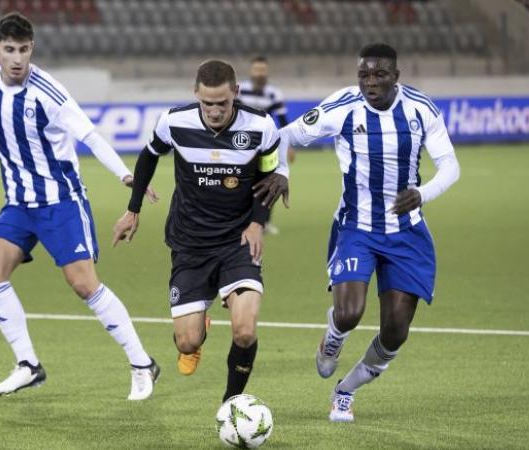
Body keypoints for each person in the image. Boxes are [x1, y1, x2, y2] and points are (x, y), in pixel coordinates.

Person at [0, 12, 160, 400]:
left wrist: (127, 176)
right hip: (18, 204)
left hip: (62, 202)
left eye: (23, 50)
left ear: (32, 49)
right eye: (8, 50)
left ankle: (142, 363)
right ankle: (28, 365)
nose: (16, 59)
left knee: (83, 285)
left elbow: (91, 137)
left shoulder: (49, 93)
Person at [280, 43, 460, 422]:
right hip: (356, 227)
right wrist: (281, 172)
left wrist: (421, 193)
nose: (371, 82)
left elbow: (450, 167)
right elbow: (285, 136)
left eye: (379, 75)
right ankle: (333, 337)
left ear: (397, 75)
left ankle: (345, 390)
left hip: (406, 233)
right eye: (364, 75)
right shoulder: (342, 106)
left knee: (395, 332)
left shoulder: (421, 109)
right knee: (349, 313)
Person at [112, 60, 288, 402]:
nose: (215, 111)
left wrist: (257, 223)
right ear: (196, 94)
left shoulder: (261, 126)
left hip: (238, 239)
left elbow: (269, 180)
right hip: (190, 243)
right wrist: (133, 209)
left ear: (235, 93)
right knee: (187, 341)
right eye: (207, 103)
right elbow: (149, 157)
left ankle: (231, 403)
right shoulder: (174, 121)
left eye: (222, 103)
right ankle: (199, 328)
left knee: (245, 331)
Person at [238, 56, 294, 235]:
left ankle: (265, 222)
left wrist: (289, 146)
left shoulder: (274, 93)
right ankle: (242, 220)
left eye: (262, 69)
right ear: (251, 71)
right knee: (241, 183)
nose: (259, 73)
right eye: (256, 69)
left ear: (267, 71)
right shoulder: (240, 90)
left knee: (268, 182)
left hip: (266, 145)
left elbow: (283, 122)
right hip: (242, 145)